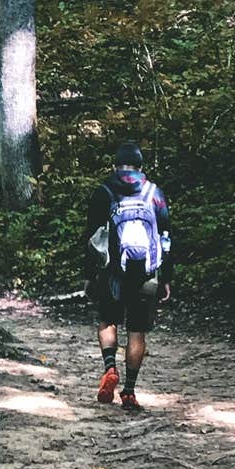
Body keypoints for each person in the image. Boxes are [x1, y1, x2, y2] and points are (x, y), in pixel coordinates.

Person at [83, 141, 171, 412]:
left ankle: (110, 368)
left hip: (110, 273)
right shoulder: (154, 193)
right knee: (137, 331)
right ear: (141, 166)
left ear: (115, 166)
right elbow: (165, 236)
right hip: (145, 273)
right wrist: (166, 277)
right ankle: (130, 391)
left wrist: (88, 276)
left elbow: (91, 238)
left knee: (108, 321)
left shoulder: (103, 191)